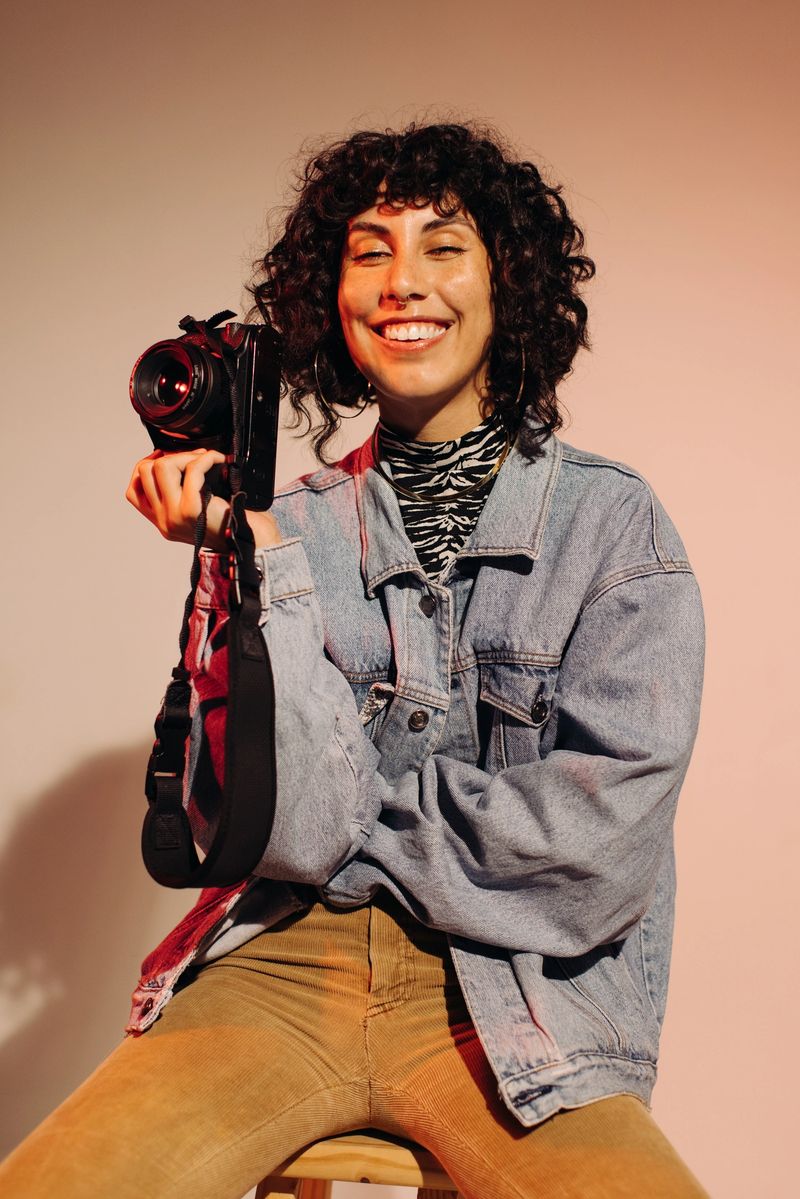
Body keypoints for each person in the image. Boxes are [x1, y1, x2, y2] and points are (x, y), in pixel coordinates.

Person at [0, 122, 709, 1198]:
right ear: (327, 295)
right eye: (368, 249)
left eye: (441, 245)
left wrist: (346, 833)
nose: (400, 282)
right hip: (283, 968)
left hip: (512, 1000)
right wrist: (264, 559)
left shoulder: (613, 528)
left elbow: (591, 856)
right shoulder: (279, 525)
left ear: (504, 280)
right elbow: (257, 816)